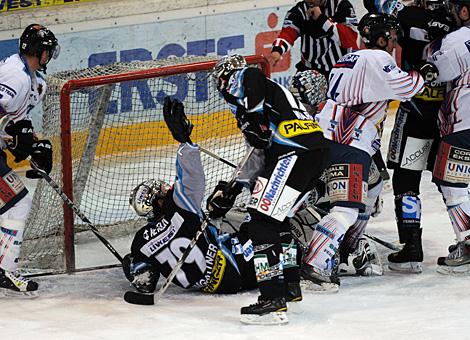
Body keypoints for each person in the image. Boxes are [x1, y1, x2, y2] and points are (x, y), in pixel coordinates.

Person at [123, 97, 304, 304]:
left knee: (232, 222)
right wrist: (185, 143)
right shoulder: (178, 207)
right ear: (158, 202)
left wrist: (131, 264)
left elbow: (144, 280)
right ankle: (295, 274)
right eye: (162, 189)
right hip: (240, 265)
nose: (167, 188)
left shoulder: (140, 241)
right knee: (266, 219)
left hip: (213, 286)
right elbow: (192, 178)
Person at [301, 13, 430, 290]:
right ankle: (315, 264)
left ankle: (346, 246)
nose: (395, 44)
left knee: (373, 186)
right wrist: (424, 73)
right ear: (381, 38)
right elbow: (406, 88)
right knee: (345, 209)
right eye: (393, 38)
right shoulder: (377, 58)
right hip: (348, 139)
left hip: (330, 135)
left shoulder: (346, 59)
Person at [207, 54, 327, 325]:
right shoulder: (266, 100)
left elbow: (251, 76)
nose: (222, 89)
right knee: (277, 220)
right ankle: (289, 286)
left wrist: (250, 117)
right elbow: (258, 153)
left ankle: (272, 299)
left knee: (260, 221)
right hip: (312, 153)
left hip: (293, 154)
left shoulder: (249, 83)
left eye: (221, 82)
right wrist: (233, 187)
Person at [363, 0, 456, 273]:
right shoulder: (458, 20)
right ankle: (466, 239)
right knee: (452, 181)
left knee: (406, 177)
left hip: (416, 111)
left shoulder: (407, 13)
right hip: (449, 113)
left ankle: (412, 246)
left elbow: (374, 2)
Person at [0, 24, 59, 294]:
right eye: (48, 50)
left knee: (14, 202)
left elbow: (16, 124)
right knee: (18, 202)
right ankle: (5, 270)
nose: (49, 56)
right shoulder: (16, 76)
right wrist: (14, 137)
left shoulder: (34, 81)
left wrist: (37, 145)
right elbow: (8, 126)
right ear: (40, 51)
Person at [424, 0, 470, 274]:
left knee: (451, 181)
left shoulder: (456, 40)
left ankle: (467, 243)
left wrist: (435, 40)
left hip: (464, 120)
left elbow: (433, 72)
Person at [270, 0, 359, 76]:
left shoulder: (341, 6)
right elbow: (287, 33)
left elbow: (350, 40)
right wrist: (277, 50)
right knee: (296, 93)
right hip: (311, 70)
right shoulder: (299, 11)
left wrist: (322, 20)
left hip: (342, 68)